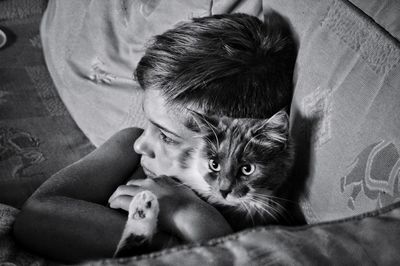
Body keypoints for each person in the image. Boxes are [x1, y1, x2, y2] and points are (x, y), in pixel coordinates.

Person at [13, 11, 297, 263]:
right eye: (148, 123)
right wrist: (182, 245)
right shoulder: (130, 149)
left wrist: (191, 215)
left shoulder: (259, 215)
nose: (142, 143)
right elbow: (34, 217)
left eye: (167, 137)